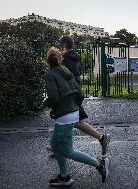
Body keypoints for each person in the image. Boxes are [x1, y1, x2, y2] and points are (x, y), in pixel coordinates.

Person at [44, 47, 109, 186]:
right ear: (60, 59)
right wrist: (74, 107)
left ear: (47, 60)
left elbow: (54, 98)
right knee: (55, 145)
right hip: (73, 113)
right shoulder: (67, 72)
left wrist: (45, 103)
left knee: (67, 150)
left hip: (64, 116)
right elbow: (80, 95)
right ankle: (64, 177)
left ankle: (99, 166)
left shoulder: (50, 74)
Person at [48, 35, 109, 157]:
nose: (60, 47)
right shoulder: (74, 57)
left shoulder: (65, 58)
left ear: (65, 45)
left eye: (61, 44)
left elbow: (67, 77)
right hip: (74, 93)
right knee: (69, 120)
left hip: (70, 95)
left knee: (72, 121)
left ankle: (102, 138)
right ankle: (57, 147)